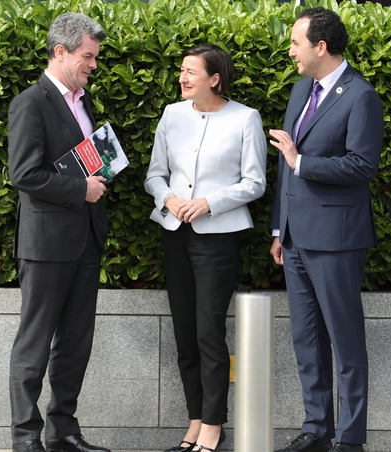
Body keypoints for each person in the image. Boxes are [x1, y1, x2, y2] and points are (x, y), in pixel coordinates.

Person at [268, 7, 384, 452]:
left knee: (345, 340)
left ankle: (350, 440)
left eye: (295, 43)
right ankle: (316, 429)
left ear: (320, 46)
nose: (290, 51)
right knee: (306, 339)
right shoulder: (301, 90)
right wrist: (278, 228)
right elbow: (285, 166)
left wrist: (302, 162)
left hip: (336, 238)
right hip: (295, 237)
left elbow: (362, 165)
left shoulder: (361, 95)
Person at [145, 44, 267, 452]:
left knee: (208, 333)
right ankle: (195, 422)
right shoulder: (171, 114)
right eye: (181, 70)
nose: (182, 77)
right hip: (175, 232)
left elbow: (255, 183)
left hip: (219, 237)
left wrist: (209, 202)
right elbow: (155, 175)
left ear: (215, 79)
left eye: (190, 71)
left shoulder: (245, 118)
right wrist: (169, 198)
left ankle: (214, 426)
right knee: (184, 334)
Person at [7, 12, 111, 452]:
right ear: (61, 51)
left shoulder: (83, 102)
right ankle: (25, 438)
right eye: (88, 56)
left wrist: (104, 167)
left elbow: (80, 161)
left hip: (86, 240)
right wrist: (81, 189)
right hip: (47, 245)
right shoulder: (30, 103)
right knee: (34, 346)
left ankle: (63, 432)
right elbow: (23, 174)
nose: (93, 64)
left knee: (75, 345)